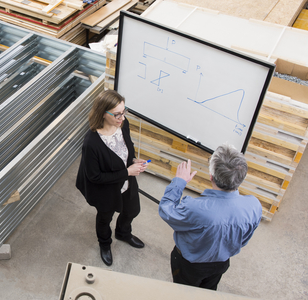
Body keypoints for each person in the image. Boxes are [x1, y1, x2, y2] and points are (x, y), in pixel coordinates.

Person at [159, 144, 262, 290]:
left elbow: (166, 210)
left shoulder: (196, 208)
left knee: (184, 292)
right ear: (241, 177)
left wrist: (179, 182)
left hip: (190, 266)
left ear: (211, 176)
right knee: (209, 291)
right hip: (221, 264)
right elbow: (243, 240)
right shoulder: (254, 205)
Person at [76, 90, 149, 266]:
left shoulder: (124, 124)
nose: (122, 117)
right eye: (117, 114)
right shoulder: (91, 143)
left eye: (124, 112)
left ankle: (123, 234)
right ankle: (105, 244)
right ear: (103, 113)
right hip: (106, 189)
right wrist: (127, 172)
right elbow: (95, 177)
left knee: (132, 210)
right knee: (104, 219)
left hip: (127, 183)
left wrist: (133, 160)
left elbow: (126, 151)